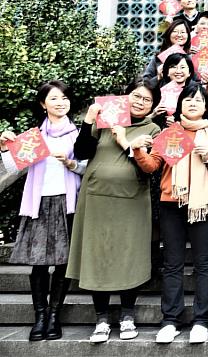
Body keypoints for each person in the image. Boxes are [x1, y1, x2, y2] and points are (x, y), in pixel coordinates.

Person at [66, 79, 161, 343]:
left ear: (153, 106)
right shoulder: (106, 119)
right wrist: (89, 120)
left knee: (129, 254)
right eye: (136, 96)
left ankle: (128, 315)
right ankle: (101, 318)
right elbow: (81, 151)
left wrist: (126, 142)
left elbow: (150, 167)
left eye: (146, 100)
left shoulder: (153, 129)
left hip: (132, 200)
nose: (139, 102)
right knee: (99, 255)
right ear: (125, 95)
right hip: (97, 198)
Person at [132, 82, 208, 344]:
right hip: (171, 202)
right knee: (172, 264)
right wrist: (139, 150)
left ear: (206, 106)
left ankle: (202, 320)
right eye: (187, 99)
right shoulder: (167, 134)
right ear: (180, 104)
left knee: (204, 264)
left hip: (203, 203)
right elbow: (152, 166)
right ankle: (170, 319)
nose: (192, 103)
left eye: (198, 100)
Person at [0, 81, 85, 342]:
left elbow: (88, 168)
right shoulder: (34, 136)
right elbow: (14, 169)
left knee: (62, 264)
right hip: (39, 204)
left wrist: (71, 163)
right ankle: (40, 315)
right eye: (54, 98)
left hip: (68, 203)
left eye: (64, 98)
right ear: (43, 103)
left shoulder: (79, 135)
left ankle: (53, 316)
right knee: (39, 264)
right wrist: (5, 148)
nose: (61, 103)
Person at [142, 20, 190, 86]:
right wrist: (158, 77)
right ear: (169, 34)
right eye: (175, 31)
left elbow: (197, 83)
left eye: (183, 32)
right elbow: (145, 83)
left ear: (188, 36)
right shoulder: (158, 58)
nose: (179, 35)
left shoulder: (192, 57)